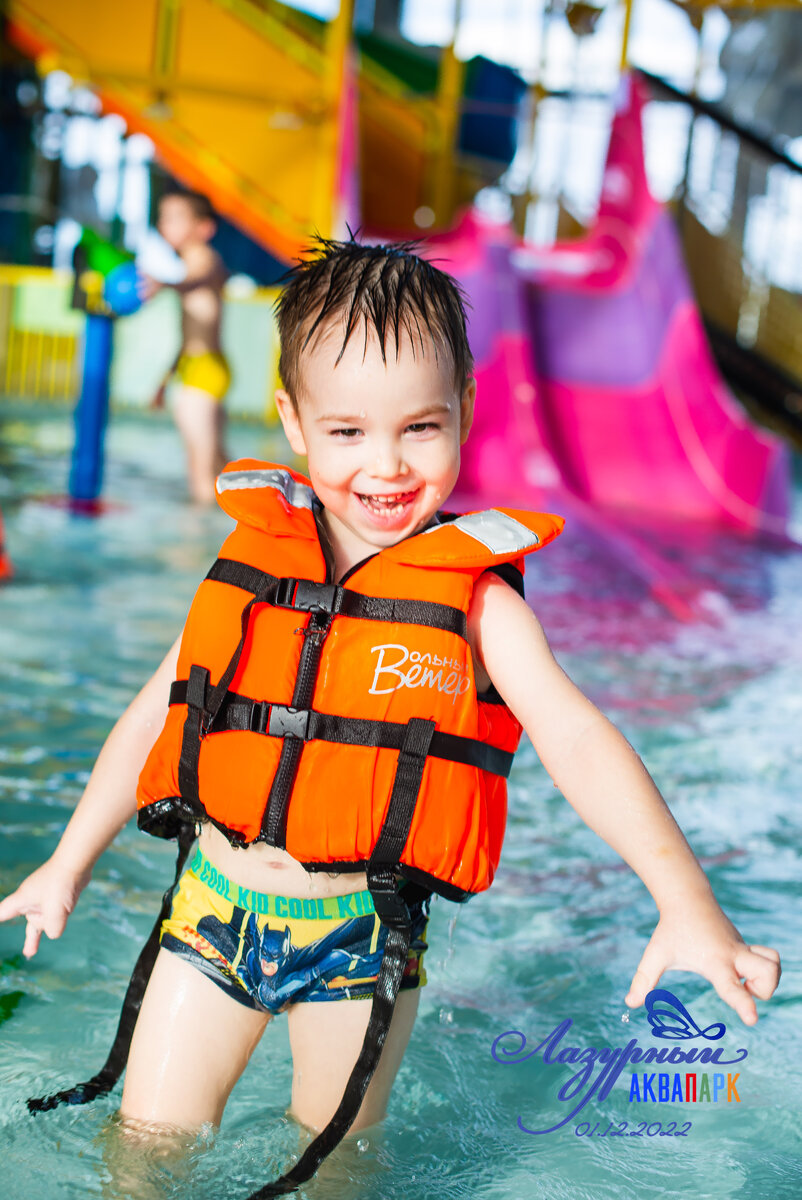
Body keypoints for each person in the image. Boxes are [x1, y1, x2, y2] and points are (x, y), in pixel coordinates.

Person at [0, 238, 781, 1196]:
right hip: (211, 916)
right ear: (291, 421)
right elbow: (157, 714)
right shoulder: (252, 567)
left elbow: (576, 736)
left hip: (361, 943)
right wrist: (67, 860)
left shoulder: (479, 604)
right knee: (143, 1151)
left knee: (333, 1168)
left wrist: (685, 901)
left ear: (466, 406)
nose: (387, 466)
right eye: (347, 433)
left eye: (421, 426)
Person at [145, 189, 230, 505]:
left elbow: (197, 278)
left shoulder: (205, 258)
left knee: (200, 472)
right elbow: (188, 338)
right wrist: (165, 380)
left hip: (203, 370)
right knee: (221, 465)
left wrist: (164, 284)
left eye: (175, 217)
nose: (164, 223)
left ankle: (195, 544)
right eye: (163, 217)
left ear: (204, 228)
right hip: (199, 366)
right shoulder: (187, 266)